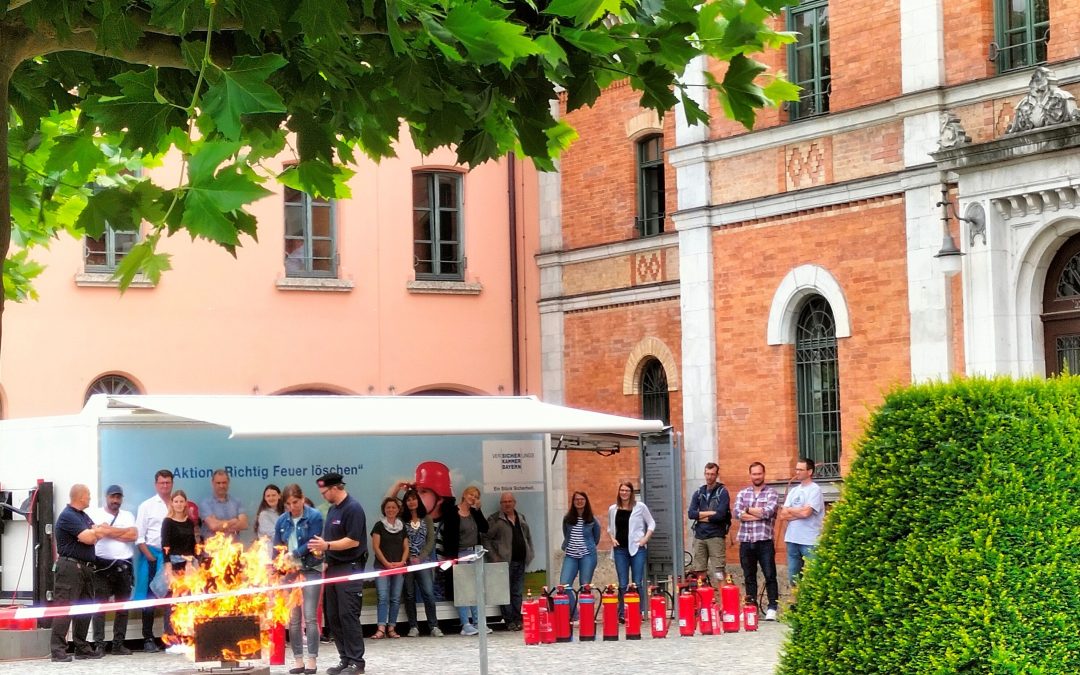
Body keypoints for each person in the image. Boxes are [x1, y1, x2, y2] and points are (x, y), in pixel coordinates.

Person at [309, 472, 367, 675]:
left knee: (348, 615)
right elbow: (330, 542)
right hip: (333, 568)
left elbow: (353, 541)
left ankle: (356, 662)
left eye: (324, 492)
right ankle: (344, 658)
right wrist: (323, 554)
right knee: (333, 616)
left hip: (349, 567)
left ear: (335, 488)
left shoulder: (353, 508)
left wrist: (327, 545)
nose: (323, 495)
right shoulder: (333, 510)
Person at [272, 484, 324, 675]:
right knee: (293, 619)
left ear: (302, 499)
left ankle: (312, 659)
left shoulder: (315, 516)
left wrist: (292, 555)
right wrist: (276, 566)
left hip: (311, 568)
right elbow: (276, 546)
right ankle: (298, 660)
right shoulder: (281, 521)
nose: (292, 506)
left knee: (310, 617)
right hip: (289, 572)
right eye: (288, 504)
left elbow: (312, 543)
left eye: (295, 502)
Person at [51, 484, 104, 662]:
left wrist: (94, 532)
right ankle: (58, 651)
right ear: (80, 497)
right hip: (70, 568)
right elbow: (89, 537)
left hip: (86, 567)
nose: (89, 497)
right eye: (88, 495)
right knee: (64, 608)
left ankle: (82, 648)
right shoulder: (68, 516)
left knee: (85, 608)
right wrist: (93, 532)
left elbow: (98, 532)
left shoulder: (82, 516)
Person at [88, 484, 138, 656]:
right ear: (106, 497)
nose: (115, 500)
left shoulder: (128, 515)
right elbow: (94, 534)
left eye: (118, 497)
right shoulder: (95, 514)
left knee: (122, 607)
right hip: (101, 566)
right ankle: (99, 645)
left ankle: (118, 645)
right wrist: (119, 532)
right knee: (100, 607)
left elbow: (133, 535)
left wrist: (106, 530)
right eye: (112, 497)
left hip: (124, 566)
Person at [734, 462, 780, 621]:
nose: (757, 477)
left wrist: (747, 510)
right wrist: (755, 514)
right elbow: (736, 513)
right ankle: (751, 606)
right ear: (750, 475)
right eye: (754, 474)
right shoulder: (742, 493)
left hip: (764, 541)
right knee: (748, 575)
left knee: (770, 574)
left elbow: (768, 512)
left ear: (764, 474)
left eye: (759, 474)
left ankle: (772, 607)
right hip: (746, 540)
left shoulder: (772, 493)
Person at [134, 468, 173, 653]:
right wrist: (149, 557)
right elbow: (139, 536)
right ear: (156, 484)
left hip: (171, 558)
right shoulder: (147, 506)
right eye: (161, 483)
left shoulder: (178, 503)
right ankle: (148, 638)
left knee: (170, 598)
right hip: (151, 555)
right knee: (149, 599)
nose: (165, 486)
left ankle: (169, 638)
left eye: (168, 482)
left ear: (172, 484)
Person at [442, 485, 488, 635]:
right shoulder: (452, 512)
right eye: (471, 494)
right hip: (459, 555)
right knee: (462, 590)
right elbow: (448, 536)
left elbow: (485, 528)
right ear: (464, 494)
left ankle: (478, 622)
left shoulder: (474, 513)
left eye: (476, 496)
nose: (473, 498)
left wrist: (479, 510)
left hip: (474, 554)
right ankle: (465, 624)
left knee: (475, 589)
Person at [486, 492, 534, 631]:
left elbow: (528, 536)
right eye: (504, 502)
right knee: (504, 593)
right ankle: (509, 621)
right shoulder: (495, 519)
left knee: (517, 592)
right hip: (504, 563)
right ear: (501, 504)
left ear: (514, 502)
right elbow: (485, 538)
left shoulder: (521, 517)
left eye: (509, 501)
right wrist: (495, 558)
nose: (507, 504)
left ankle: (518, 619)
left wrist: (530, 552)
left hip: (520, 561)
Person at [608, 481, 655, 621]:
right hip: (620, 549)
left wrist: (645, 539)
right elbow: (610, 528)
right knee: (622, 583)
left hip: (637, 548)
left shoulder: (640, 507)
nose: (624, 493)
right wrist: (612, 539)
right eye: (622, 490)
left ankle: (637, 611)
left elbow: (651, 522)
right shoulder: (613, 508)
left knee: (637, 582)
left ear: (631, 493)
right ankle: (622, 612)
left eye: (627, 490)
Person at [400, 488, 441, 637]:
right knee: (409, 594)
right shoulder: (401, 520)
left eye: (414, 499)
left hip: (424, 562)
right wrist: (409, 557)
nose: (412, 502)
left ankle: (434, 626)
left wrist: (421, 556)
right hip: (408, 563)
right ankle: (413, 626)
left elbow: (431, 540)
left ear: (418, 500)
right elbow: (401, 541)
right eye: (408, 499)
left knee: (429, 593)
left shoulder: (427, 518)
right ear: (405, 503)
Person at [779, 457, 825, 588]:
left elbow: (807, 513)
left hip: (809, 540)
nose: (797, 472)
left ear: (809, 472)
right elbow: (783, 515)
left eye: (800, 469)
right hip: (792, 539)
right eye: (796, 469)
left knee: (812, 578)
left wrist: (790, 510)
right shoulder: (794, 491)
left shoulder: (815, 490)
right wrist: (799, 511)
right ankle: (796, 604)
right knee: (794, 578)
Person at [161, 489, 199, 645]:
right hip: (173, 565)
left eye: (181, 501)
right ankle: (171, 638)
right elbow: (165, 547)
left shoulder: (190, 522)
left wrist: (190, 563)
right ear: (172, 503)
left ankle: (186, 637)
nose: (178, 504)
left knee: (188, 601)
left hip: (188, 566)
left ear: (185, 503)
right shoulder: (167, 522)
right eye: (175, 501)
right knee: (172, 603)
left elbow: (193, 546)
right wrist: (169, 572)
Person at [371, 497, 409, 639]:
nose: (391, 510)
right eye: (388, 507)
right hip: (382, 567)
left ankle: (391, 627)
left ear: (398, 510)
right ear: (384, 509)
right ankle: (381, 628)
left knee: (395, 598)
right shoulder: (378, 526)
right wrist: (386, 563)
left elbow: (406, 547)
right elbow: (375, 547)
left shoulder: (402, 526)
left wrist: (402, 562)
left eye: (393, 507)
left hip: (399, 568)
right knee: (382, 597)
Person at [686, 462, 731, 580]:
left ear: (717, 475)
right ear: (704, 474)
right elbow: (691, 514)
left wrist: (701, 516)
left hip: (716, 536)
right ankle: (703, 597)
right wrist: (711, 513)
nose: (709, 477)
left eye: (712, 474)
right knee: (700, 572)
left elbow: (720, 515)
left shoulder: (722, 492)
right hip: (699, 536)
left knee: (719, 573)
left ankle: (722, 598)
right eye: (707, 474)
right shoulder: (699, 492)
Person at [558, 491, 599, 620]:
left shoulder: (592, 520)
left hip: (587, 556)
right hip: (571, 555)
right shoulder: (567, 518)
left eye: (582, 499)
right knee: (564, 585)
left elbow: (596, 538)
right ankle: (575, 614)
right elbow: (566, 534)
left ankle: (587, 616)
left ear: (586, 501)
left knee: (585, 586)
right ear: (573, 502)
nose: (579, 501)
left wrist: (587, 547)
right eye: (576, 499)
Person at [200, 469, 249, 541]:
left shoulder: (237, 502)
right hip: (213, 549)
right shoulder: (205, 503)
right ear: (212, 483)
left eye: (224, 483)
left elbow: (244, 524)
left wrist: (220, 525)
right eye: (218, 483)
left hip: (234, 549)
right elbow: (213, 526)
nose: (221, 486)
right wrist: (233, 521)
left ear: (228, 483)